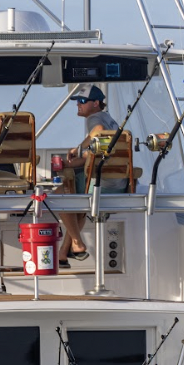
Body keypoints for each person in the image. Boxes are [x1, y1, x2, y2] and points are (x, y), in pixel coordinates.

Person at [58, 85, 118, 263]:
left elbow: (97, 131)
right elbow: (93, 155)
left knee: (60, 196)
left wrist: (78, 148)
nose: (79, 104)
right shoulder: (110, 119)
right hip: (117, 181)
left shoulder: (95, 118)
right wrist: (75, 159)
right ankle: (64, 252)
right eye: (77, 101)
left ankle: (77, 243)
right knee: (77, 207)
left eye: (82, 101)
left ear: (96, 103)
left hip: (100, 182)